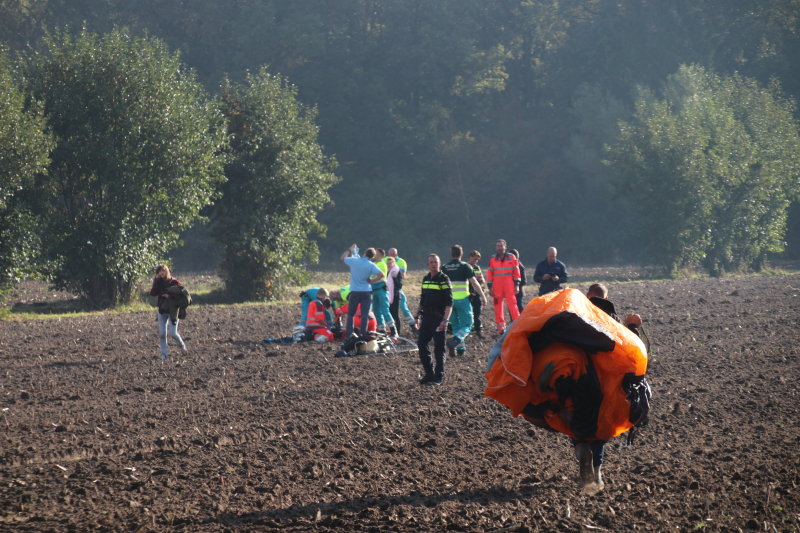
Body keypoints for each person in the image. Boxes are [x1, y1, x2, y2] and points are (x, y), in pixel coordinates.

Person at [568, 283, 644, 489]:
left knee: (573, 419)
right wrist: (633, 327)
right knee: (602, 427)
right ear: (607, 299)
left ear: (586, 296)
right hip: (608, 386)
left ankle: (580, 447)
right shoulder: (614, 322)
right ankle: (598, 473)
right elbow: (634, 353)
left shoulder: (575, 317)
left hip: (580, 382)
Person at [441, 245, 487, 356]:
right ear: (461, 255)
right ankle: (455, 341)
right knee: (467, 325)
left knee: (456, 325)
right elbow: (474, 283)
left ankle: (460, 350)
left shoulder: (444, 267)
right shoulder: (465, 266)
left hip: (449, 302)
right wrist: (483, 296)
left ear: (451, 254)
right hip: (462, 300)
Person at [415, 254, 453, 386]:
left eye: (435, 262)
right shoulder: (426, 278)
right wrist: (417, 316)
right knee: (421, 344)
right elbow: (422, 299)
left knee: (439, 347)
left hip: (438, 319)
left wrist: (445, 320)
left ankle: (439, 376)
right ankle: (429, 374)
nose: (433, 264)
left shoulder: (444, 279)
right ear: (428, 264)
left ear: (440, 263)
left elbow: (449, 302)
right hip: (426, 317)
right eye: (431, 262)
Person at [340, 244, 384, 340]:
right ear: (372, 257)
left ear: (364, 253)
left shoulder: (354, 261)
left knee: (351, 313)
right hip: (366, 291)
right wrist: (372, 280)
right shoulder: (371, 265)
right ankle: (363, 334)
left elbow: (342, 258)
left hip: (355, 291)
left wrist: (349, 249)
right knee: (364, 314)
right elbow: (382, 274)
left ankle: (349, 334)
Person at [149, 265, 188, 359]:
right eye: (159, 271)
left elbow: (182, 295)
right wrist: (157, 282)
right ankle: (164, 354)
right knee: (162, 334)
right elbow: (153, 293)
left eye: (163, 271)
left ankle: (182, 346)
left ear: (167, 271)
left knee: (173, 333)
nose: (161, 273)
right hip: (162, 311)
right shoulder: (158, 282)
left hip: (173, 311)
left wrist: (170, 297)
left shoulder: (174, 282)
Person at [486, 239, 521, 334]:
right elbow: (489, 274)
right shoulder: (492, 259)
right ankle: (501, 328)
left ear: (505, 247)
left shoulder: (512, 257)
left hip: (509, 286)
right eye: (498, 246)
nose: (499, 248)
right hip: (497, 288)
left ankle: (517, 326)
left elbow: (517, 273)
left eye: (501, 246)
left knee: (513, 305)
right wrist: (490, 288)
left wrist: (517, 285)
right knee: (497, 305)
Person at [386, 248, 417, 333]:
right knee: (390, 312)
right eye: (388, 255)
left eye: (391, 256)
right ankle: (392, 331)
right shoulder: (386, 260)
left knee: (403, 307)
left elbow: (402, 277)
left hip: (396, 291)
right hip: (389, 291)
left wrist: (394, 276)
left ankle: (413, 325)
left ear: (396, 255)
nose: (389, 257)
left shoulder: (401, 262)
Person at [370, 249, 396, 336]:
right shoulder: (375, 264)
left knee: (385, 310)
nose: (374, 254)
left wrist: (370, 280)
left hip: (381, 290)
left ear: (380, 255)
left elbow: (378, 276)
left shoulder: (381, 264)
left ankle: (393, 329)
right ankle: (381, 330)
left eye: (376, 253)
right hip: (375, 291)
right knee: (377, 311)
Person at [467, 250, 486, 337]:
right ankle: (466, 331)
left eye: (477, 260)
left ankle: (478, 331)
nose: (476, 261)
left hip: (477, 292)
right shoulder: (465, 267)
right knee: (467, 313)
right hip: (467, 292)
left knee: (477, 313)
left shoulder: (477, 268)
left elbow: (482, 281)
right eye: (474, 259)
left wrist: (481, 280)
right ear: (470, 257)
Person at [509, 249, 527, 314]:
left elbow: (524, 281)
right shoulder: (509, 266)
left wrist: (515, 285)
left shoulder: (520, 267)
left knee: (519, 312)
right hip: (510, 294)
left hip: (518, 294)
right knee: (511, 312)